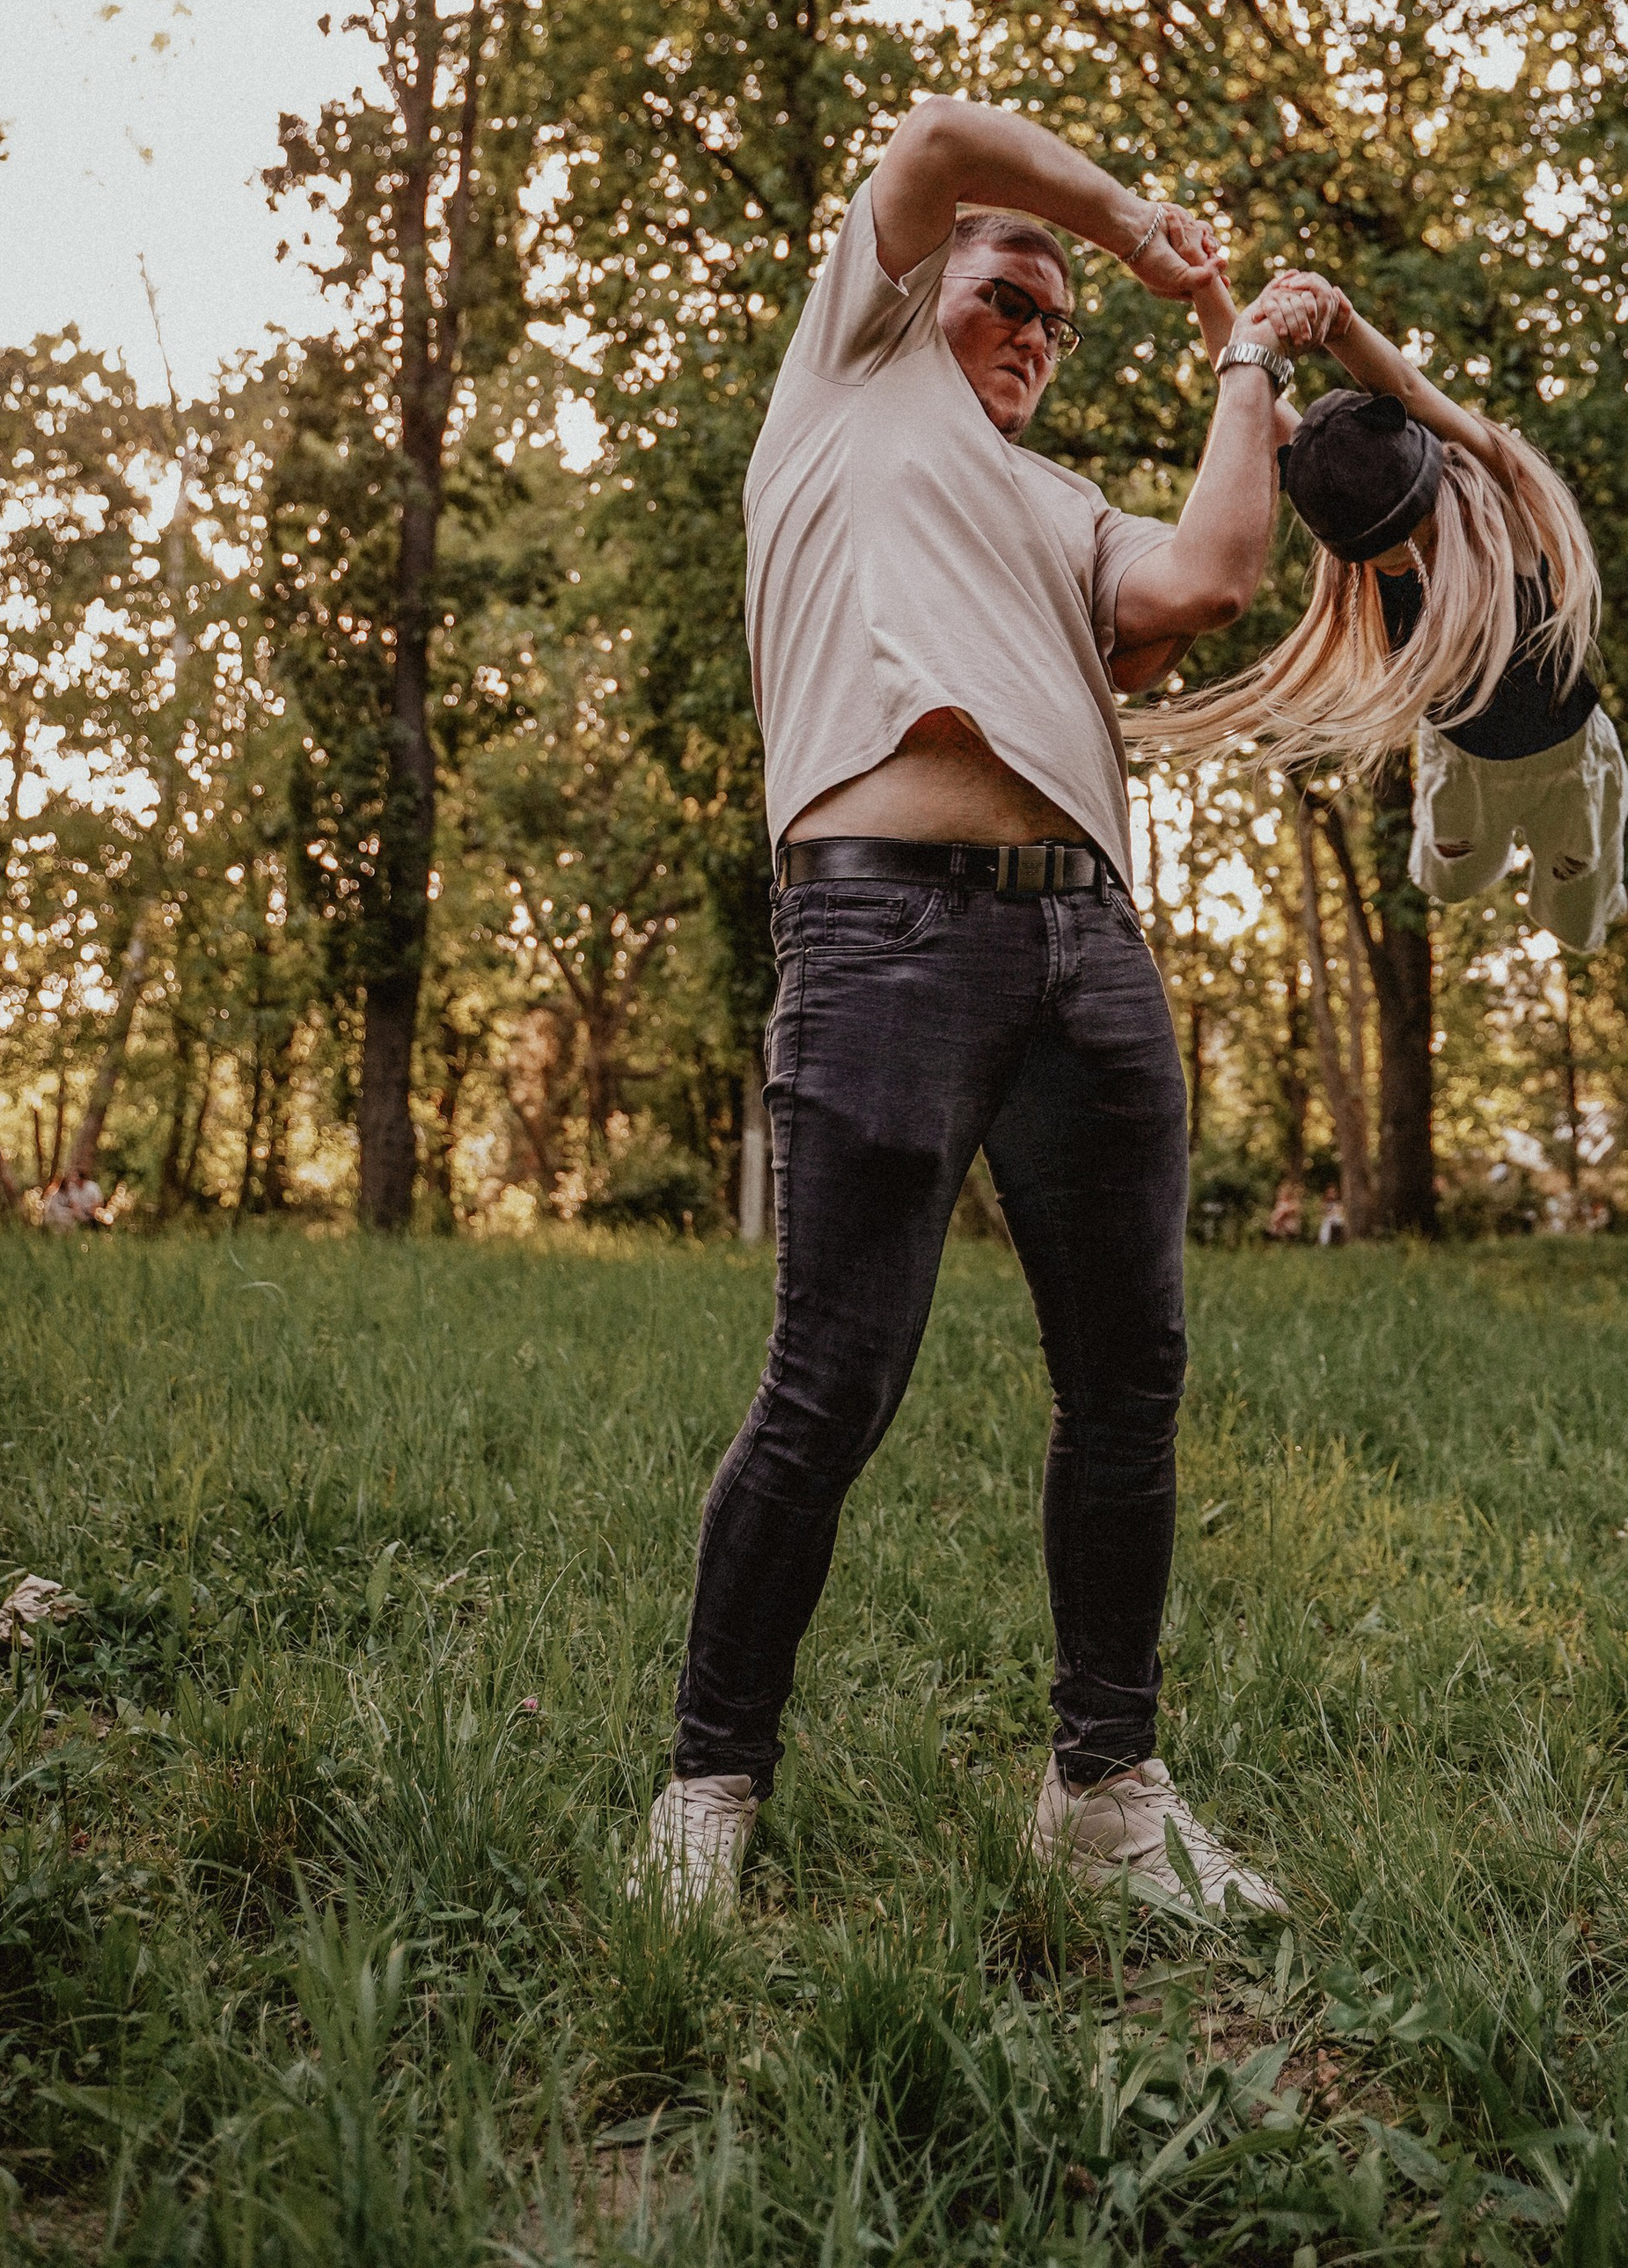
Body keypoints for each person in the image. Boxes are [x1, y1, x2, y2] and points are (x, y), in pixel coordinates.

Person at [638, 94, 1330, 1922]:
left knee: (1127, 1388)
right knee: (831, 1384)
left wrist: (1241, 356)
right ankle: (708, 1784)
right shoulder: (847, 375)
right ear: (910, 286)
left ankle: (1104, 1792)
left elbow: (1211, 576)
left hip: (1086, 952)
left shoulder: (1061, 511)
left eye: (1052, 318)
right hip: (882, 937)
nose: (1031, 325)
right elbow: (943, 137)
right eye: (1004, 291)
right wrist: (1117, 222)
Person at [1133, 274, 1628, 954]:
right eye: (1372, 555)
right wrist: (1207, 295)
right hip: (1463, 761)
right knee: (1450, 881)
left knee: (1576, 922)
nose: (1389, 564)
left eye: (1400, 545)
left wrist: (1339, 322)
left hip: (1567, 763)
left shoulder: (1502, 515)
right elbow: (1248, 395)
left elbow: (1413, 390)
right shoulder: (1343, 497)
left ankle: (1591, 871)